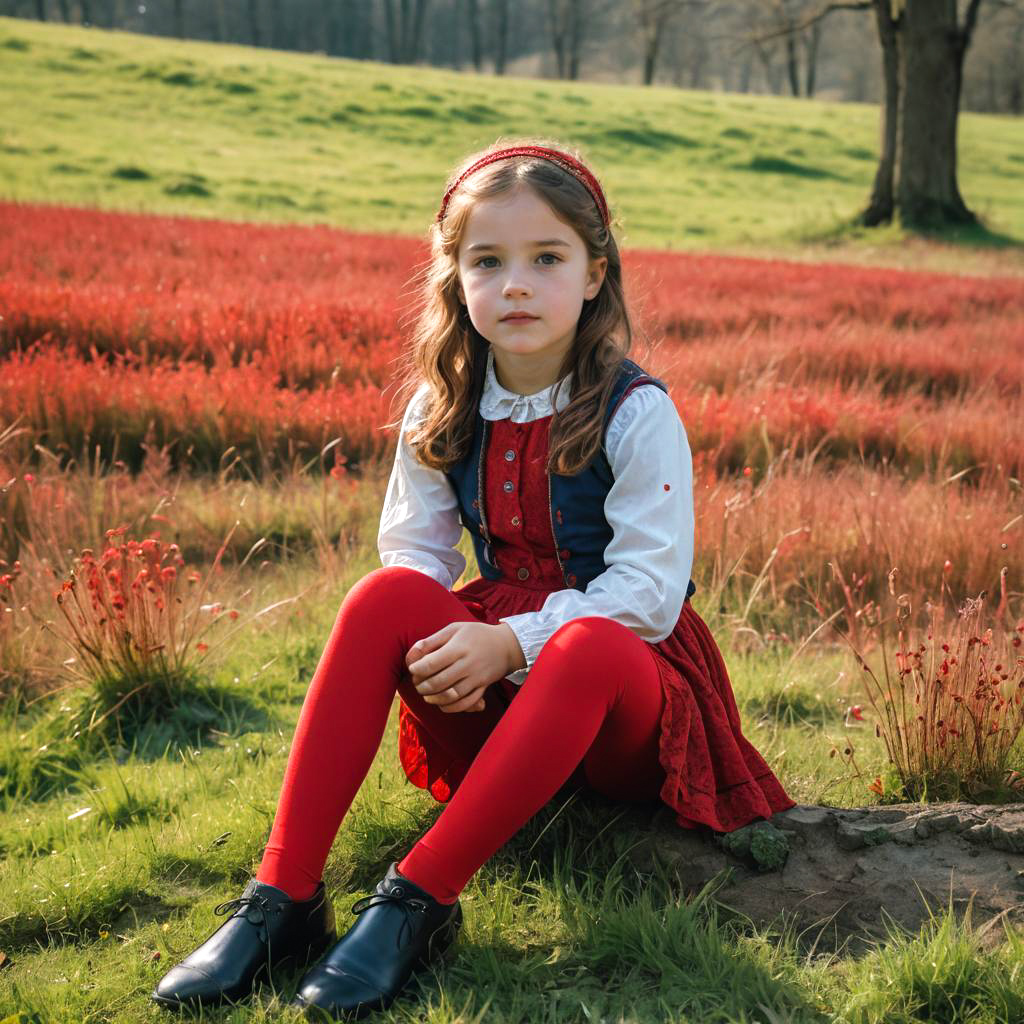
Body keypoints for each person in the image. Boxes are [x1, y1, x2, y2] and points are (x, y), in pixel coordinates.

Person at [151, 137, 796, 1019]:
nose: (517, 284)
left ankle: (418, 899)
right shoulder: (444, 398)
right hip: (497, 700)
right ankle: (284, 897)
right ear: (453, 276)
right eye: (487, 261)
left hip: (621, 696)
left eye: (546, 258)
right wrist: (446, 640)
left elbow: (647, 595)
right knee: (383, 597)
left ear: (596, 273)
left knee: (586, 646)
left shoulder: (637, 411)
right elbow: (414, 554)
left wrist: (509, 640)